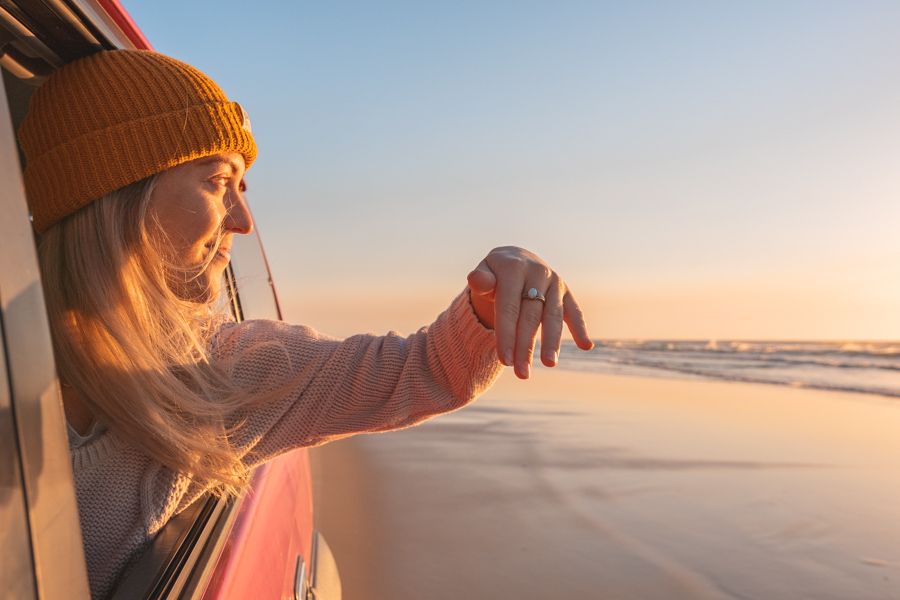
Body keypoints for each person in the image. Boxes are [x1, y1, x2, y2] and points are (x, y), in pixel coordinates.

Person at [17, 49, 593, 598]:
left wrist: (487, 309)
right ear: (114, 194)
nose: (243, 221)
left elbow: (420, 369)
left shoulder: (223, 370)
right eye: (218, 183)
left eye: (242, 189)